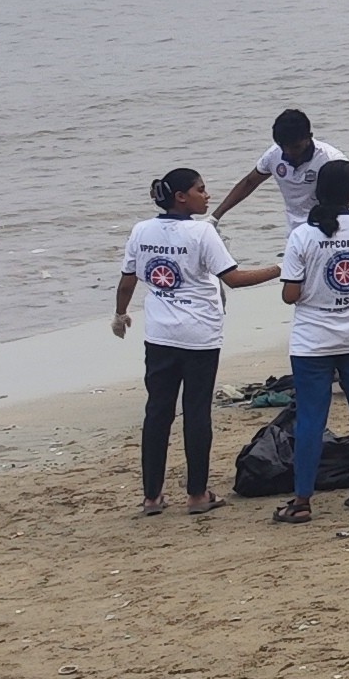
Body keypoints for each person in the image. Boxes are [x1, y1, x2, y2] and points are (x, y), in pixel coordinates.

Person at [114, 167, 276, 515]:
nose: (207, 196)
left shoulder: (141, 230)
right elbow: (234, 279)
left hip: (159, 335)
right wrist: (280, 268)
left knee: (157, 412)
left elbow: (128, 280)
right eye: (201, 190)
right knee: (196, 412)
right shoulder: (202, 232)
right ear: (181, 197)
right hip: (200, 335)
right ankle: (197, 494)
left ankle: (151, 497)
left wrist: (120, 313)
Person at [275, 161, 349, 519]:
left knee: (311, 418)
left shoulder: (302, 236)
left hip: (313, 340)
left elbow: (290, 295)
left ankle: (302, 500)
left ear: (316, 192)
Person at [217, 109, 349, 248]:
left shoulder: (330, 159)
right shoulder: (273, 155)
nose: (289, 152)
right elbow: (249, 182)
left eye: (296, 147)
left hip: (329, 233)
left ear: (309, 137)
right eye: (283, 146)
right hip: (295, 235)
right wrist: (215, 217)